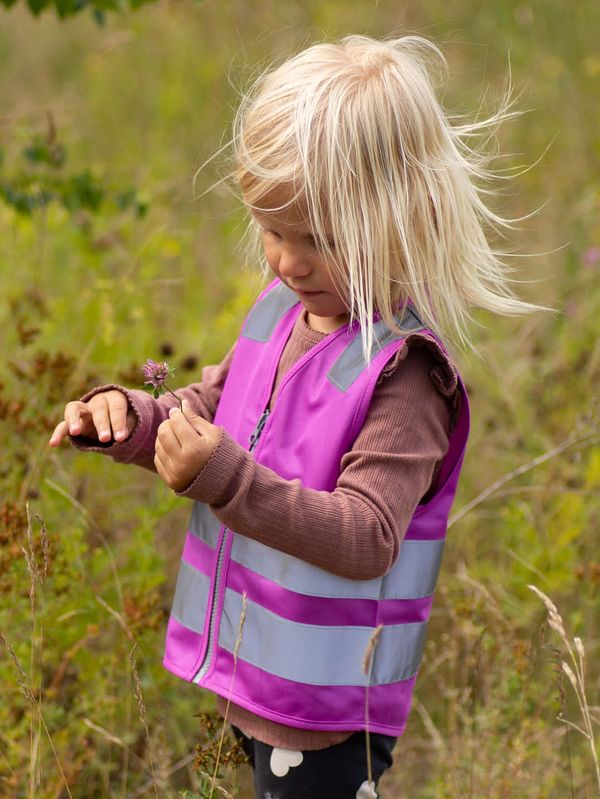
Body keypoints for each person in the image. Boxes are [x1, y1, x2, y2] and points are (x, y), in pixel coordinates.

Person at [50, 35, 538, 799]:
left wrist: (223, 480)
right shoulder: (282, 312)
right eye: (273, 230)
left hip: (325, 711)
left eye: (322, 241)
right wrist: (136, 419)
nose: (287, 262)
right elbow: (221, 408)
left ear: (406, 221)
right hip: (260, 676)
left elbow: (366, 534)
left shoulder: (403, 375)